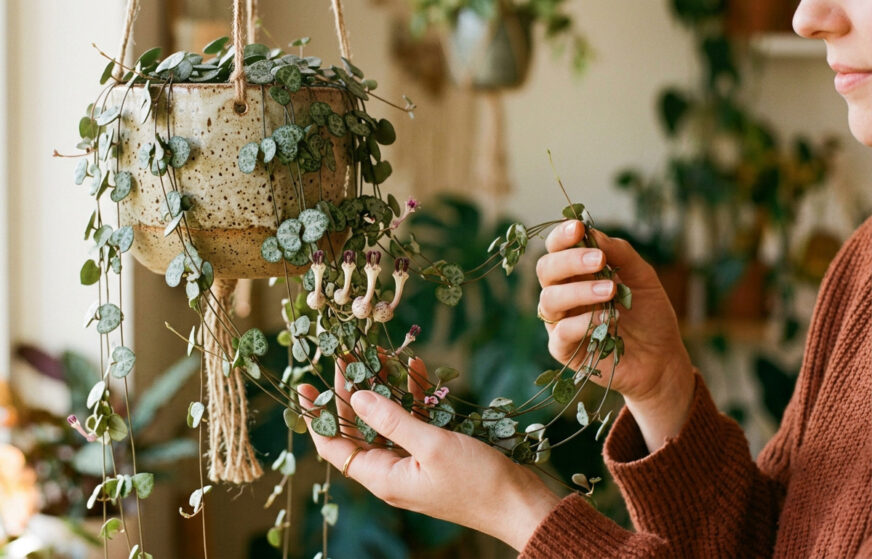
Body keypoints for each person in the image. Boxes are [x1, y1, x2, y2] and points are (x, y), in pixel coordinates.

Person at [298, 0, 872, 556]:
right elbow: (778, 542)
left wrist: (515, 509)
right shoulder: (862, 264)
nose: (808, 17)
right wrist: (663, 389)